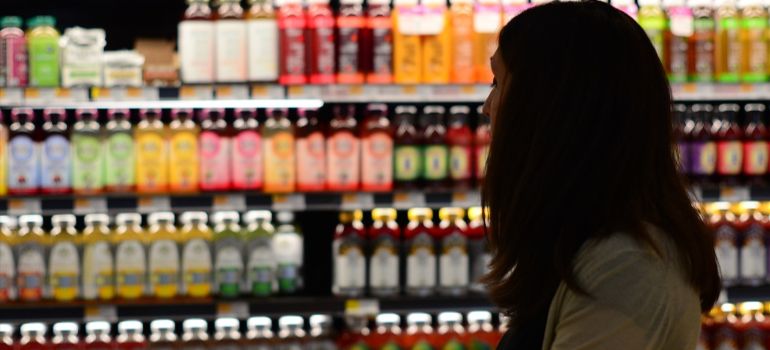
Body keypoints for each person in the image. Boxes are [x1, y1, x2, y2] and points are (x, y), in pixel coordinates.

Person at [481, 1, 722, 349]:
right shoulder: (583, 238)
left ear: (551, 108)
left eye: (498, 82)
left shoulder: (628, 272)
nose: (488, 106)